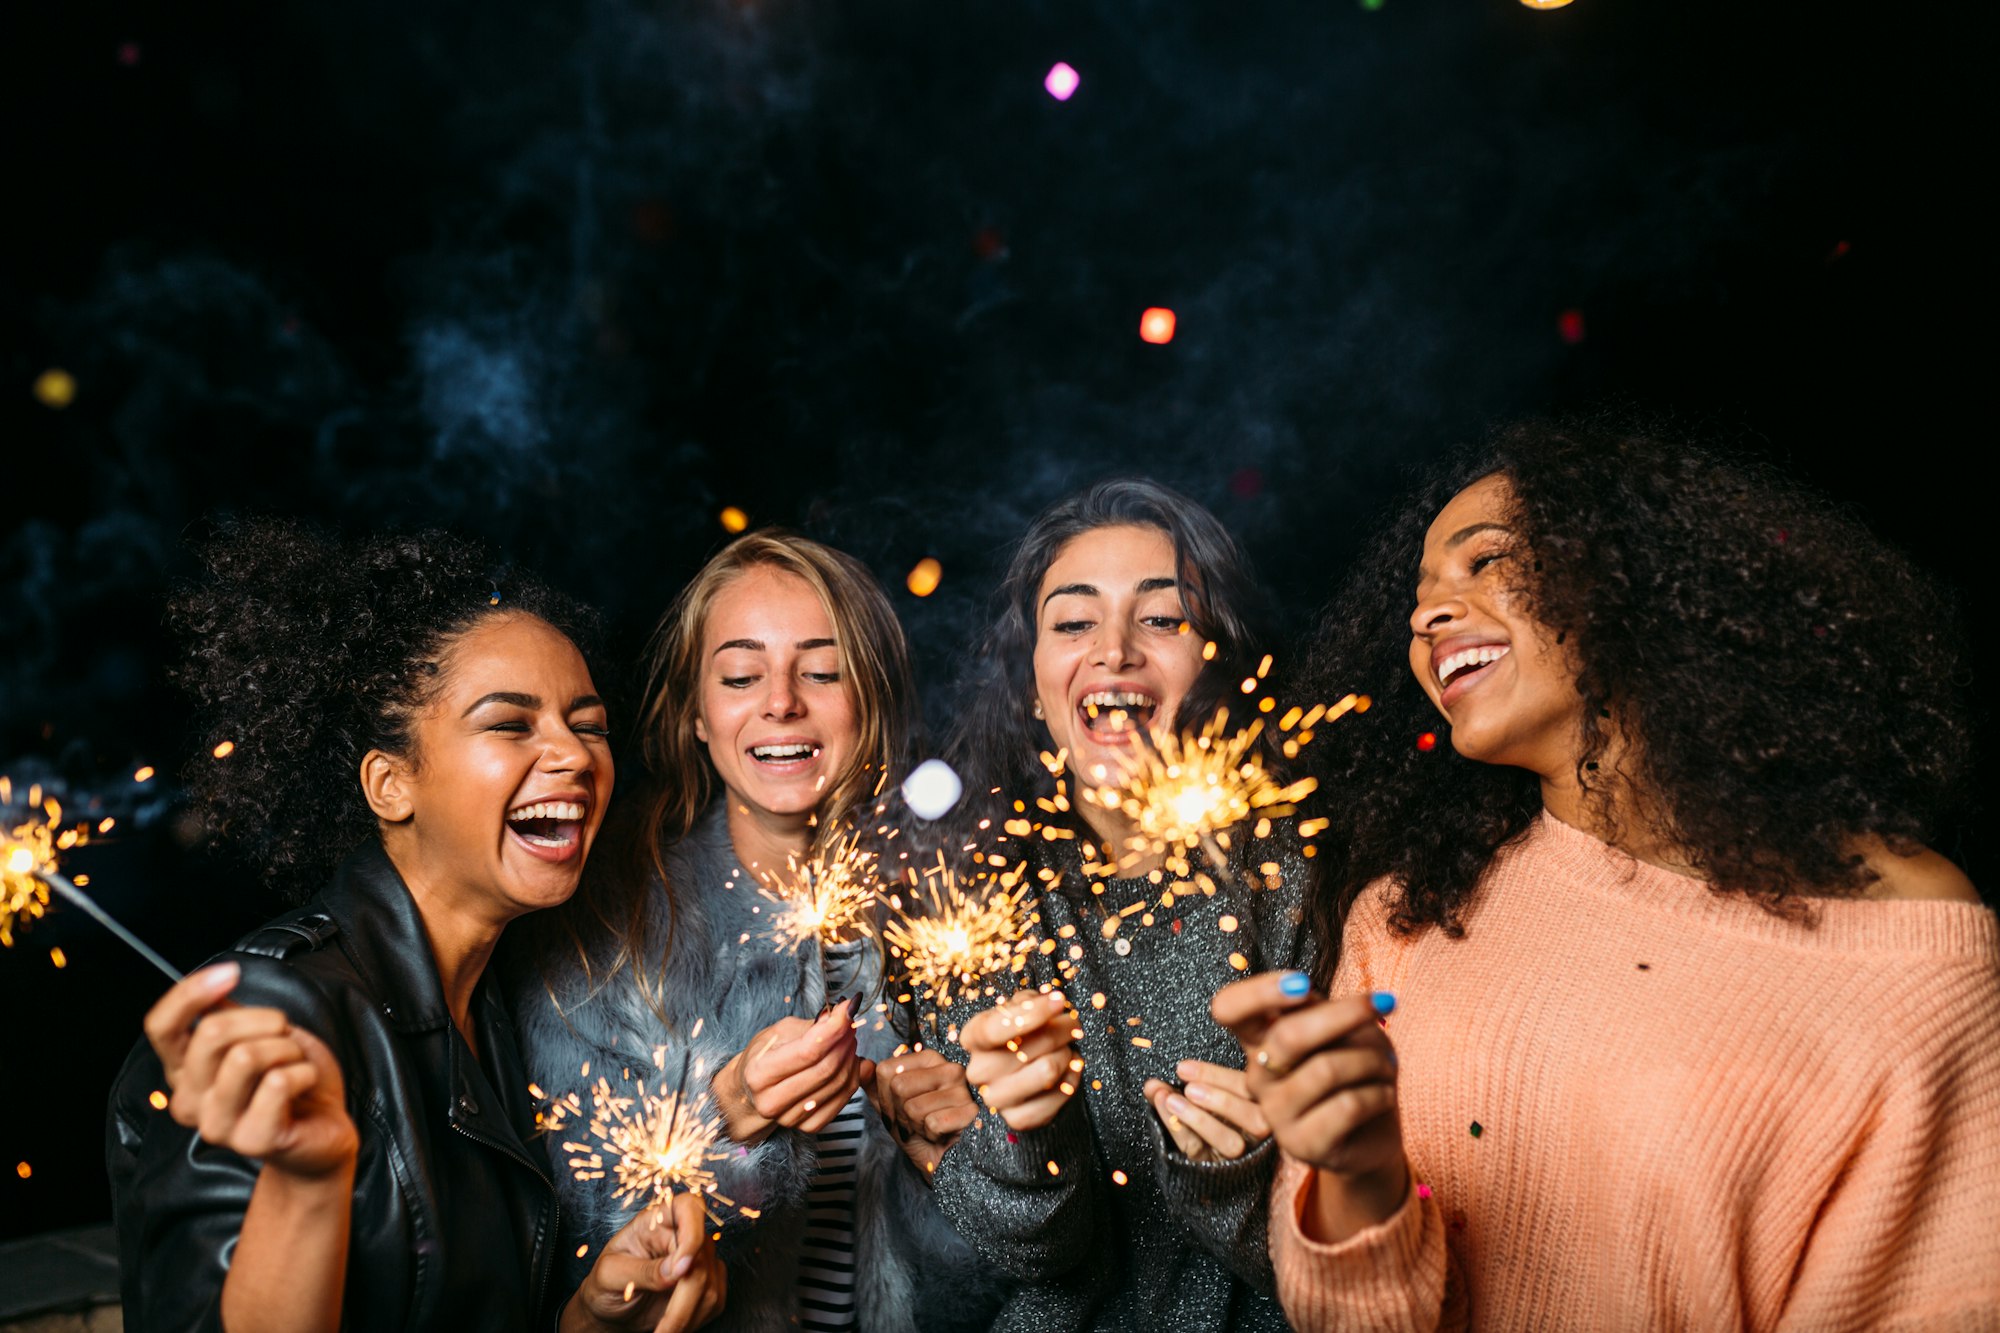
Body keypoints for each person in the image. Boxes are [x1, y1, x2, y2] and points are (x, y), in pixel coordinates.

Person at [1216, 417, 2000, 1330]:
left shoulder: (1904, 937)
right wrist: (1359, 1171)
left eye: (1485, 561)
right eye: (1420, 595)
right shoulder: (1403, 920)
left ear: (1626, 576)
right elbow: (1345, 1318)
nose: (1427, 613)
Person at [107, 521, 723, 1333]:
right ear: (391, 784)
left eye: (589, 722)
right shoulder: (274, 1014)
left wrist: (590, 1321)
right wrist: (305, 1185)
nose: (574, 754)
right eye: (511, 724)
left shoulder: (500, 1004)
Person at [517, 530, 994, 1333]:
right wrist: (728, 1123)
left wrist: (959, 1166)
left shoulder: (962, 914)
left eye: (821, 670)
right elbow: (589, 1255)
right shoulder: (612, 930)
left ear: (869, 697)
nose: (781, 701)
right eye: (741, 674)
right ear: (698, 715)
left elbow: (1005, 1278)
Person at [925, 478, 1308, 1331]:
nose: (1116, 651)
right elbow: (1027, 1261)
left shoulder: (1304, 884)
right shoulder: (977, 898)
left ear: (1219, 658)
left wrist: (1241, 1176)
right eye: (1073, 621)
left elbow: (1345, 1273)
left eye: (1162, 618)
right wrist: (1025, 1137)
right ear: (1031, 679)